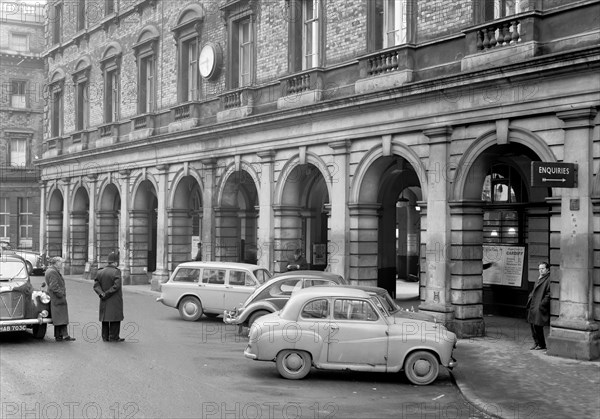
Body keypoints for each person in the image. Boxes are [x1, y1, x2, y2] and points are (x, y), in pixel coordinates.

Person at [93, 252, 124, 342]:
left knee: (105, 317)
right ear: (115, 262)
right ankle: (114, 336)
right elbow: (116, 286)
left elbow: (96, 285)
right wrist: (107, 293)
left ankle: (105, 336)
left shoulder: (100, 271)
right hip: (114, 298)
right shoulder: (116, 271)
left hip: (103, 298)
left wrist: (102, 293)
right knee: (115, 317)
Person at [44, 257, 75, 342]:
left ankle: (60, 335)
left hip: (55, 297)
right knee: (60, 317)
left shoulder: (50, 271)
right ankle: (62, 335)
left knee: (59, 317)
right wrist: (60, 294)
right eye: (60, 262)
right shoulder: (53, 272)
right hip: (57, 297)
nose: (62, 264)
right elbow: (54, 286)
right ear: (56, 263)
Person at [526, 262, 551, 350]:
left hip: (539, 305)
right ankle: (536, 343)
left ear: (547, 269)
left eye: (543, 269)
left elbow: (549, 294)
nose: (540, 270)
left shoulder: (548, 279)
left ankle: (541, 344)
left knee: (538, 326)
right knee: (533, 325)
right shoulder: (539, 278)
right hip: (533, 304)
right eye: (539, 269)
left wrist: (542, 304)